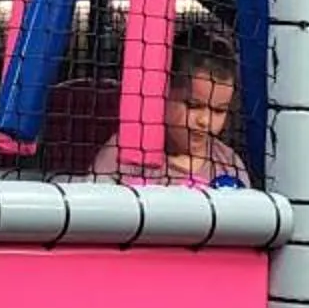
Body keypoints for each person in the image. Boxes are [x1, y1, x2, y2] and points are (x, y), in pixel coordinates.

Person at [91, 14, 249, 185]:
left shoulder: (229, 165)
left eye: (219, 110)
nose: (205, 121)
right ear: (163, 94)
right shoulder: (124, 152)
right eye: (193, 105)